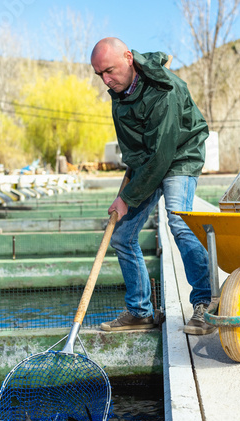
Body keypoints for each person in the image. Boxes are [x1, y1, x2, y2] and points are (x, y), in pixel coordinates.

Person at [90, 37, 214, 335]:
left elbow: (163, 155)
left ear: (129, 58)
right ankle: (140, 312)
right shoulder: (119, 93)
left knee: (179, 222)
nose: (106, 80)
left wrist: (128, 197)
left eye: (110, 71)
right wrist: (125, 195)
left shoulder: (165, 89)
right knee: (121, 235)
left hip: (180, 154)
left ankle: (206, 304)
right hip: (150, 160)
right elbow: (135, 152)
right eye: (100, 75)